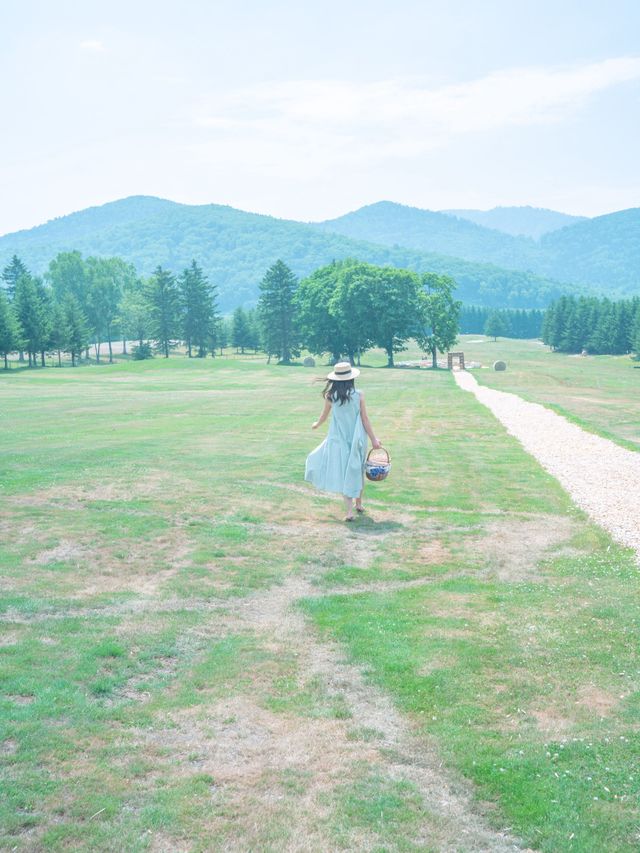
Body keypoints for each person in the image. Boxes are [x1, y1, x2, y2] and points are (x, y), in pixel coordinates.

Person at [304, 362, 381, 522]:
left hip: (338, 439)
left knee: (344, 472)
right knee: (357, 470)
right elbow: (365, 419)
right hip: (357, 437)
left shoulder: (331, 396)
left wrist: (316, 425)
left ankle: (349, 511)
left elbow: (323, 416)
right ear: (351, 379)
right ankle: (358, 504)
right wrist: (374, 439)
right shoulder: (359, 395)